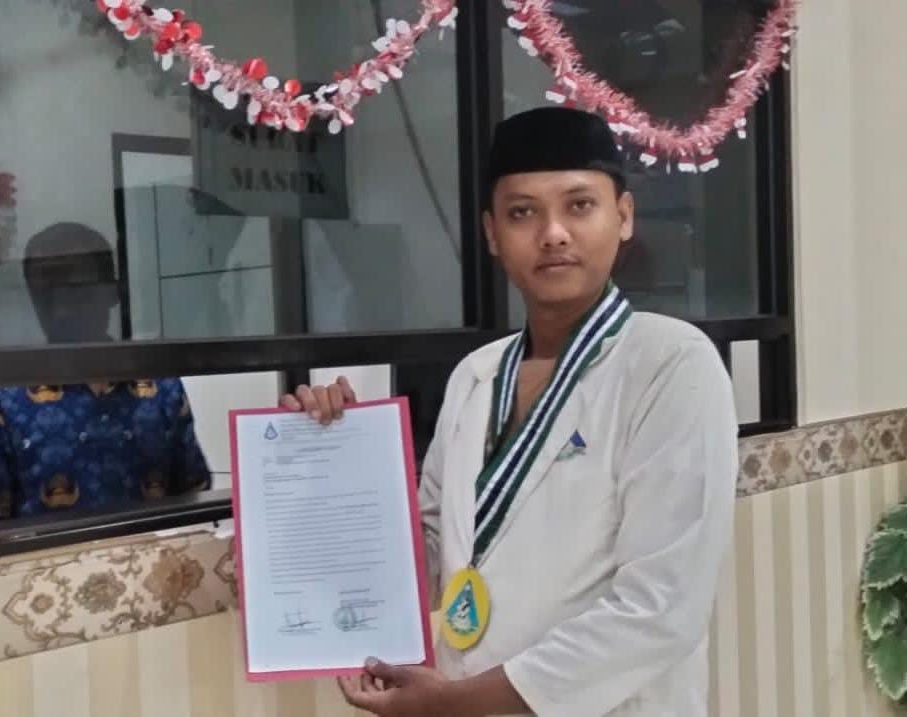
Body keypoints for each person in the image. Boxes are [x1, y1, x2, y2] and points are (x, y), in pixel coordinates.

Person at [283, 108, 737, 716]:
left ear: (623, 216)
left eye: (580, 205)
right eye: (523, 212)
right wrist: (333, 462)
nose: (553, 233)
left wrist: (456, 704)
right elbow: (432, 553)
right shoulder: (476, 375)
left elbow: (661, 609)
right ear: (492, 233)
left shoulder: (671, 364)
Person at [0, 222, 211, 519]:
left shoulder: (160, 387)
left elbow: (194, 497)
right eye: (44, 294)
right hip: (49, 551)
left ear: (114, 291)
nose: (61, 310)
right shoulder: (5, 397)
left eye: (76, 292)